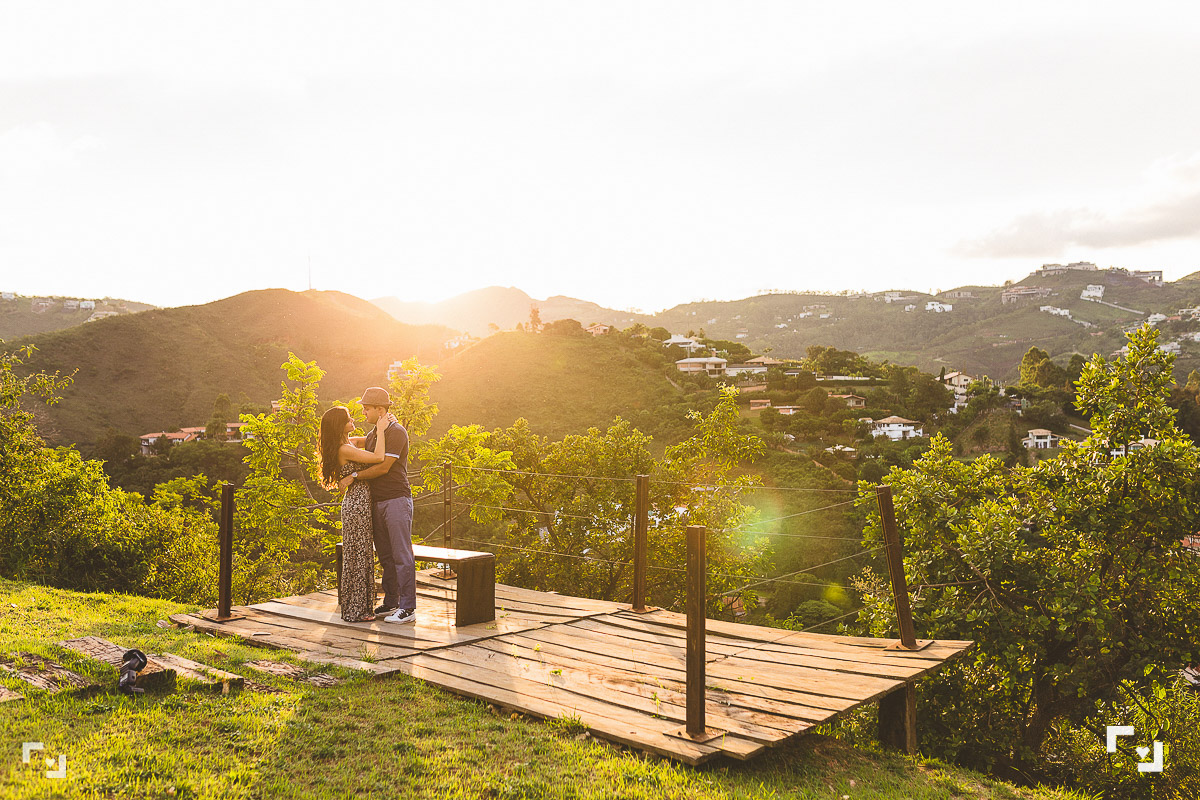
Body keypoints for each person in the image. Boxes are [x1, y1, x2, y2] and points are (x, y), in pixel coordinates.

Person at [339, 386, 416, 624]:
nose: (363, 412)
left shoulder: (396, 432)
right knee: (385, 556)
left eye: (367, 408)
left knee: (401, 554)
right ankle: (392, 601)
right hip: (378, 501)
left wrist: (354, 477)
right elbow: (355, 442)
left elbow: (383, 467)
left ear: (380, 410)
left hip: (396, 500)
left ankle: (408, 608)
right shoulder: (375, 433)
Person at [319, 404, 393, 622]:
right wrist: (381, 429)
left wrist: (380, 426)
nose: (353, 420)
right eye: (348, 419)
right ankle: (357, 611)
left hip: (356, 503)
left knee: (359, 554)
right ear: (339, 425)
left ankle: (357, 608)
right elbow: (378, 457)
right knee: (359, 555)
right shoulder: (344, 449)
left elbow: (366, 441)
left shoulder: (346, 443)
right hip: (357, 505)